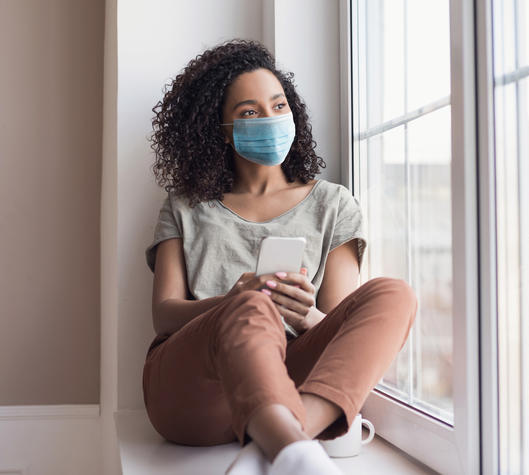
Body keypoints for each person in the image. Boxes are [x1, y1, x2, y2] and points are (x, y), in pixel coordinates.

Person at [142, 39, 417, 475]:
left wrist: (305, 314)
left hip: (288, 379)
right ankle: (289, 443)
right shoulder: (184, 206)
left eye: (278, 105)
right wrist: (231, 302)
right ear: (221, 128)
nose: (269, 119)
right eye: (249, 112)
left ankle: (278, 443)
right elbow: (164, 317)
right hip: (193, 389)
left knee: (394, 293)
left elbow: (336, 327)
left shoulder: (333, 204)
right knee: (251, 305)